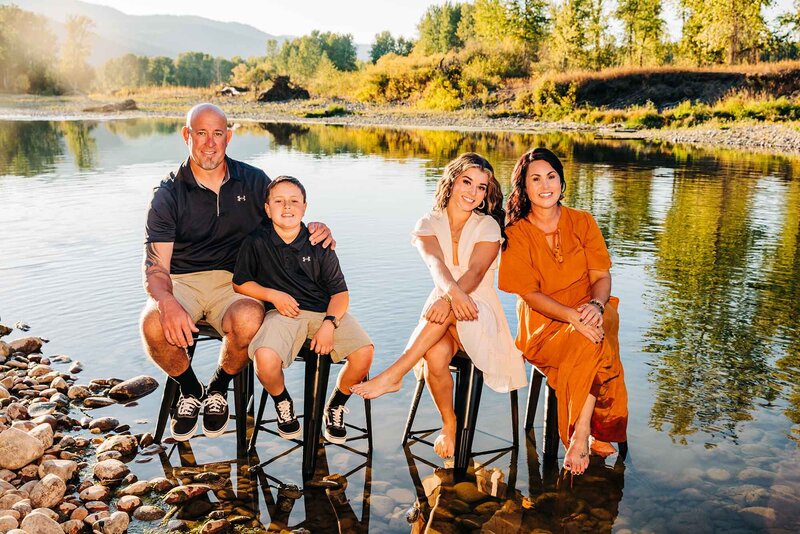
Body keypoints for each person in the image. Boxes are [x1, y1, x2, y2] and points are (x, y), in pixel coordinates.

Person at [141, 103, 332, 442]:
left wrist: (316, 230)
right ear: (187, 136)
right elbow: (157, 267)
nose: (209, 143)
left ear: (228, 137)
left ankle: (218, 387)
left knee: (249, 319)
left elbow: (287, 214)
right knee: (153, 323)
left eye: (217, 134)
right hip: (182, 280)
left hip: (236, 282)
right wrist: (167, 301)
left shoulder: (255, 181)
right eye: (201, 133)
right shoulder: (168, 194)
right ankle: (191, 389)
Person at [351, 153, 526, 458]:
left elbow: (475, 273)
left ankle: (395, 374)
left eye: (482, 187)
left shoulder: (487, 226)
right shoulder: (428, 223)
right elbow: (435, 264)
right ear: (452, 181)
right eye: (467, 182)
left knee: (444, 312)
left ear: (487, 194)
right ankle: (449, 424)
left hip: (478, 309)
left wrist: (450, 299)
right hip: (443, 309)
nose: (473, 192)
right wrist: (448, 298)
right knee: (434, 354)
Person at [497, 147, 628, 476]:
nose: (545, 185)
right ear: (523, 188)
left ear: (562, 181)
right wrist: (573, 317)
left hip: (590, 310)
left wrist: (596, 306)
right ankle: (587, 431)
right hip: (544, 327)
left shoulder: (583, 221)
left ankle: (580, 432)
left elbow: (601, 276)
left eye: (551, 177)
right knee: (594, 339)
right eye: (535, 179)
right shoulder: (516, 233)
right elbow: (528, 293)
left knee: (604, 321)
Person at [233, 176, 373, 444]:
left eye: (294, 201)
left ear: (305, 207)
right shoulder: (256, 241)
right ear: (267, 208)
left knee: (364, 353)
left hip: (325, 311)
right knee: (264, 358)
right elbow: (240, 283)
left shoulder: (319, 241)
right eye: (279, 201)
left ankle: (336, 404)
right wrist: (272, 295)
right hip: (283, 314)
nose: (287, 207)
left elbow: (340, 294)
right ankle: (282, 401)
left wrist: (329, 324)